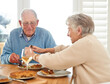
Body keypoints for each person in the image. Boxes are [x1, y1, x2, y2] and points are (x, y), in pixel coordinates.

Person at [25, 13, 110, 84]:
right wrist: (44, 50)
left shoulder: (85, 43)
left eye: (69, 29)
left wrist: (34, 56)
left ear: (79, 30)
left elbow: (56, 60)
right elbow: (68, 49)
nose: (68, 34)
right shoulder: (89, 41)